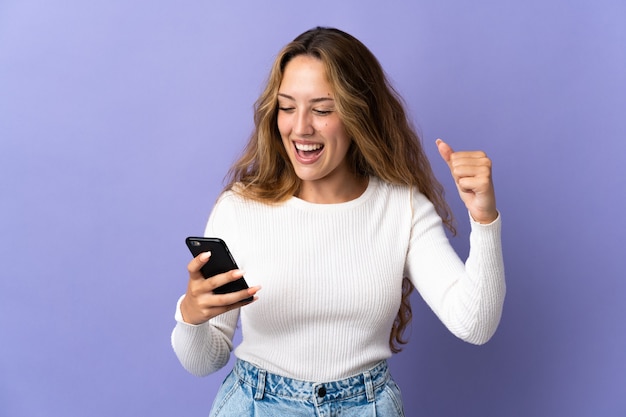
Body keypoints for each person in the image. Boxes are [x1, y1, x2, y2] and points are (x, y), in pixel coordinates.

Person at [171, 26, 505, 416]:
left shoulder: (402, 208)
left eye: (323, 109)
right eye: (287, 106)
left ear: (357, 113)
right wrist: (191, 316)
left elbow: (475, 324)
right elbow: (203, 362)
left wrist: (484, 218)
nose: (300, 128)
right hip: (256, 404)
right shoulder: (240, 208)